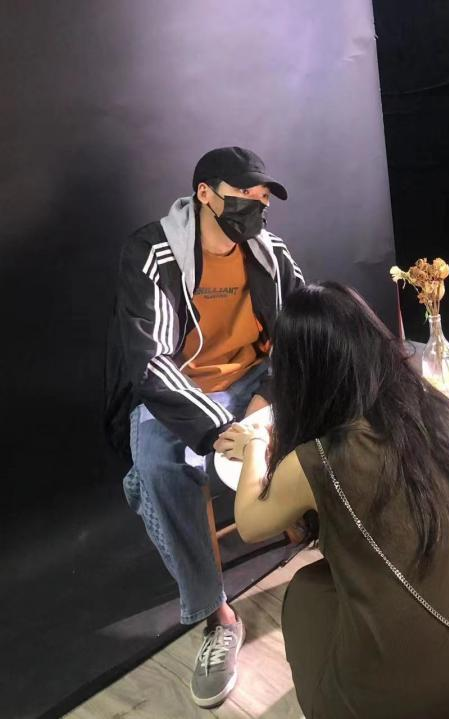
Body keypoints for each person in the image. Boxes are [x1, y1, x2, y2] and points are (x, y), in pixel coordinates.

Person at [215, 282, 449, 719]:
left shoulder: (318, 460)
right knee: (328, 583)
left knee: (305, 597)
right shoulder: (436, 413)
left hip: (399, 708)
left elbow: (249, 523)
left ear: (301, 374)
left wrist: (257, 445)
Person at [104, 147, 305, 707]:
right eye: (244, 196)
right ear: (205, 194)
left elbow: (301, 330)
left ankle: (333, 536)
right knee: (158, 466)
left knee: (330, 405)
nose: (256, 208)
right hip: (182, 385)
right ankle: (217, 616)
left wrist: (268, 396)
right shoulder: (153, 253)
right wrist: (220, 428)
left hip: (254, 377)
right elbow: (149, 360)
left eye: (263, 199)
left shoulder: (269, 251)